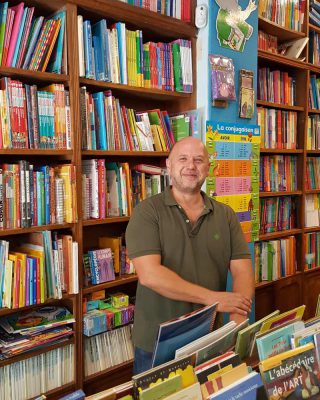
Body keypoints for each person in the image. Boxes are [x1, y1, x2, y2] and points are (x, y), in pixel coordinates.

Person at [125, 136, 254, 374]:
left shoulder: (226, 215)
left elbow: (243, 271)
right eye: (182, 159)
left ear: (208, 167)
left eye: (198, 160)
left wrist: (238, 319)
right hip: (158, 343)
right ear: (169, 165)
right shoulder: (147, 212)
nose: (191, 166)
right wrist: (214, 299)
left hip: (208, 339)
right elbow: (150, 275)